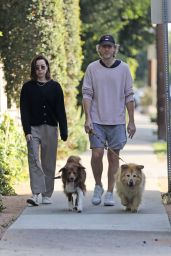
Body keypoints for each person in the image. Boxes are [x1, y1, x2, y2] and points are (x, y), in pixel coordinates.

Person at [82, 35, 136, 206]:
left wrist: (132, 121)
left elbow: (129, 96)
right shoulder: (92, 68)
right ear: (99, 49)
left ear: (115, 49)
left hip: (118, 120)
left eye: (109, 46)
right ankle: (98, 186)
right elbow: (87, 94)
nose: (106, 49)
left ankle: (110, 192)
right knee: (97, 154)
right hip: (96, 120)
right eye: (103, 46)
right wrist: (88, 118)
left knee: (114, 158)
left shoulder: (124, 69)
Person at [20, 54, 68, 206]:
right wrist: (27, 131)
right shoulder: (27, 88)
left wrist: (64, 130)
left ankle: (47, 194)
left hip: (51, 128)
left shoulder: (55, 87)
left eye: (42, 67)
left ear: (47, 68)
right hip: (33, 129)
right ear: (34, 70)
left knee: (48, 162)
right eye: (37, 67)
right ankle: (35, 194)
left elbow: (61, 110)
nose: (40, 70)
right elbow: (24, 111)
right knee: (34, 160)